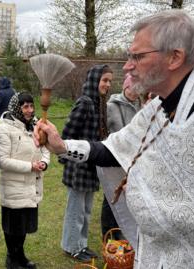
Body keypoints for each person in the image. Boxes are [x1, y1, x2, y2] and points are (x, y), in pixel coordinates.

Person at [34, 10, 194, 268]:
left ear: (174, 57)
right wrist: (62, 146)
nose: (127, 66)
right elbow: (116, 150)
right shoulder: (157, 107)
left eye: (137, 56)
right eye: (129, 56)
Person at [60, 64, 113, 262]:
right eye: (104, 80)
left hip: (92, 165)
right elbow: (68, 133)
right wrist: (66, 157)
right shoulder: (85, 103)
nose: (107, 84)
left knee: (87, 209)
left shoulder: (100, 105)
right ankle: (72, 247)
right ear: (94, 81)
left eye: (109, 80)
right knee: (76, 210)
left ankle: (81, 244)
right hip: (78, 166)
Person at [0, 92, 50, 269]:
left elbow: (45, 148)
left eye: (31, 105)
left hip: (31, 186)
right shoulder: (5, 128)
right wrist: (30, 166)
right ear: (16, 107)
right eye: (25, 106)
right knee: (13, 227)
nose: (30, 110)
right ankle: (12, 259)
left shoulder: (37, 125)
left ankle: (20, 256)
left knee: (24, 226)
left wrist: (43, 162)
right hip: (13, 186)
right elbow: (2, 160)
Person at [101, 73, 140, 238]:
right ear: (125, 86)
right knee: (111, 199)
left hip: (133, 162)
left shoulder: (141, 106)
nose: (135, 92)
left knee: (128, 200)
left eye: (139, 88)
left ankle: (123, 237)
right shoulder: (111, 106)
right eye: (132, 87)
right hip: (114, 161)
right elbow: (103, 131)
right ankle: (108, 237)